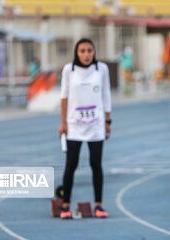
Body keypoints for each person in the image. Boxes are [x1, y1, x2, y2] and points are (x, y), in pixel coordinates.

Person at [58, 38, 112, 219]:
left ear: (94, 52)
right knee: (70, 165)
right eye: (82, 51)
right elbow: (64, 97)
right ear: (76, 53)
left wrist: (107, 121)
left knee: (96, 165)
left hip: (96, 125)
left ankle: (99, 205)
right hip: (74, 125)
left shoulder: (101, 69)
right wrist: (63, 123)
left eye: (89, 50)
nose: (86, 54)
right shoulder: (68, 70)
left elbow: (106, 95)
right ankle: (65, 206)